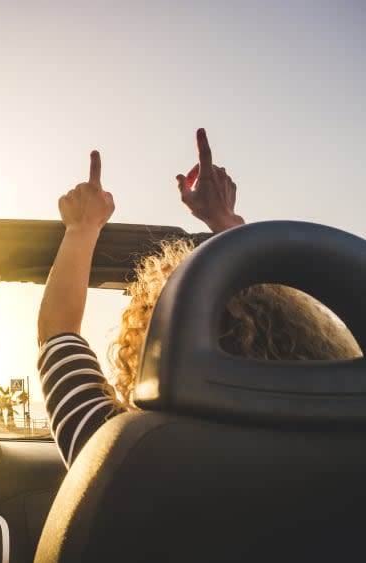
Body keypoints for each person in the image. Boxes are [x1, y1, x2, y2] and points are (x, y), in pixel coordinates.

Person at [37, 128, 362, 469]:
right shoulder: (349, 455)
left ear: (152, 347)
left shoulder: (117, 454)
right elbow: (56, 335)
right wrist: (226, 221)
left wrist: (82, 227)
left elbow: (56, 333)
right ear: (304, 333)